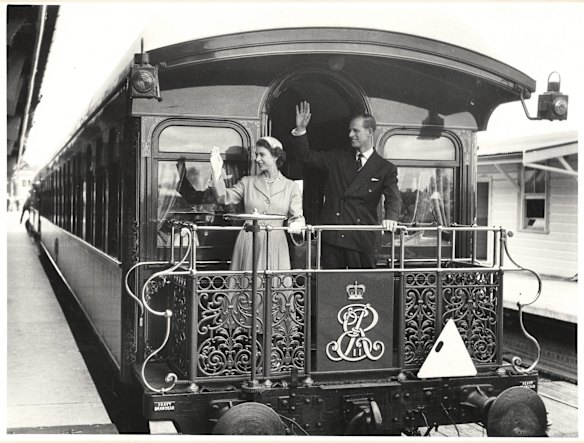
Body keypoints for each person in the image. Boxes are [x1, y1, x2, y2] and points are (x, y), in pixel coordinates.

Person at [289, 101, 401, 269]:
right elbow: (306, 156)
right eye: (350, 130)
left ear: (369, 132)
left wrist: (391, 218)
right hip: (332, 239)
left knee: (361, 290)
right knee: (330, 289)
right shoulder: (338, 158)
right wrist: (300, 130)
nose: (350, 135)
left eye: (356, 130)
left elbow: (394, 198)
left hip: (361, 240)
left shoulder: (385, 168)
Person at [209, 136, 305, 271]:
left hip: (276, 243)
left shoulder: (291, 187)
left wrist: (297, 225)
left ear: (276, 157)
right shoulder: (247, 182)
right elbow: (223, 197)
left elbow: (297, 217)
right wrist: (216, 171)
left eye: (262, 155)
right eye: (256, 154)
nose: (257, 159)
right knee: (248, 284)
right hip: (249, 240)